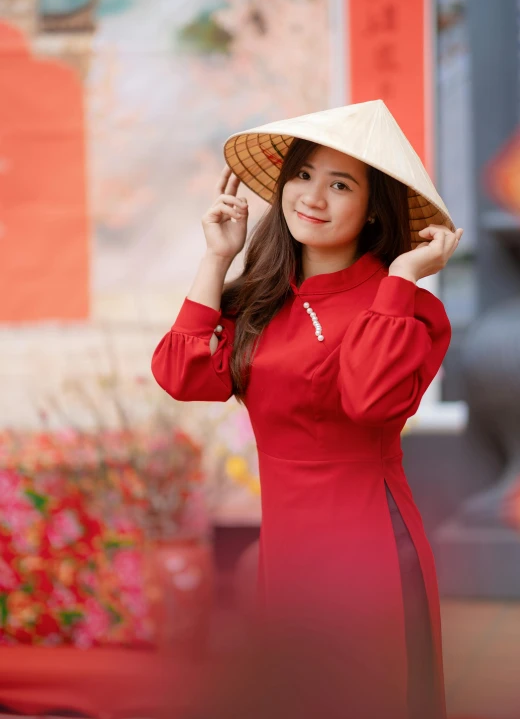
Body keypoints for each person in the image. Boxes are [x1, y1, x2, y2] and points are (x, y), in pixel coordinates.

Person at [151, 100, 463, 719]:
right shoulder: (262, 302)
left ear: (373, 207)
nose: (312, 197)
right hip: (287, 546)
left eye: (340, 183)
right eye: (303, 175)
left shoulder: (406, 309)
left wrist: (402, 278)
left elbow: (370, 399)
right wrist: (216, 258)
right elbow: (181, 375)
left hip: (367, 542)